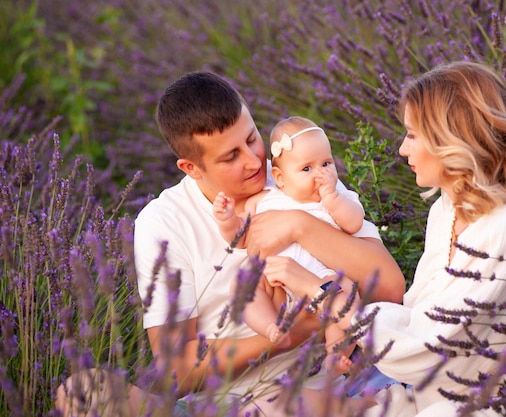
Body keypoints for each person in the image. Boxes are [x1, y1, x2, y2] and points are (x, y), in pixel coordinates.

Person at [55, 71, 405, 416]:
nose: (255, 161)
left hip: (340, 376)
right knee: (81, 393)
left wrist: (299, 226)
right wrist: (286, 334)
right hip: (239, 401)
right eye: (230, 156)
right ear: (191, 167)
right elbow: (177, 368)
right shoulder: (164, 222)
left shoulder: (300, 172)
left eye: (252, 138)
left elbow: (389, 286)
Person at [354, 61, 506, 417]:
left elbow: (434, 342)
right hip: (445, 394)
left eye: (412, 135)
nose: (401, 150)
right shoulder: (446, 210)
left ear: (452, 139)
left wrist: (346, 317)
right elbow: (421, 312)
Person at [213, 116, 364, 375]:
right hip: (276, 281)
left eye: (326, 163)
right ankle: (272, 328)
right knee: (243, 283)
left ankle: (337, 352)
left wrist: (334, 199)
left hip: (322, 277)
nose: (320, 174)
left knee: (346, 292)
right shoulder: (266, 200)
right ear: (280, 178)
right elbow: (242, 237)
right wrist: (228, 220)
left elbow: (354, 223)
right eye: (306, 169)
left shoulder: (338, 197)